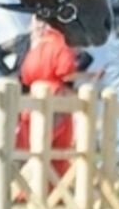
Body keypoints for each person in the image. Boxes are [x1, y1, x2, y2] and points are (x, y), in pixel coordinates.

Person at [16, 14, 85, 179]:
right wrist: (86, 76)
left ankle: (25, 187)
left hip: (32, 98)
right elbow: (65, 72)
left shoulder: (38, 45)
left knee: (30, 144)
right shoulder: (61, 43)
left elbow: (25, 75)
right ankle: (52, 188)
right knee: (56, 147)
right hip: (55, 97)